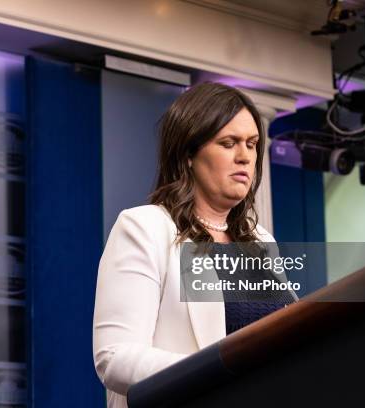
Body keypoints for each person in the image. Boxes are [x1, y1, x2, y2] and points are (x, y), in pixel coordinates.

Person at [92, 82, 296, 408]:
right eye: (229, 143)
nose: (245, 156)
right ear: (188, 154)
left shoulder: (261, 240)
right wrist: (221, 370)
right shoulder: (144, 228)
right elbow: (115, 358)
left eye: (252, 144)